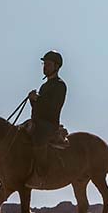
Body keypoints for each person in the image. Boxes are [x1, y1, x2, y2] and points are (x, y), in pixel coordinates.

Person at [26, 50, 67, 188]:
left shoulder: (60, 85)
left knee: (38, 137)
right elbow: (39, 109)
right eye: (44, 64)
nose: (45, 67)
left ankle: (42, 173)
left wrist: (38, 99)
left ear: (56, 66)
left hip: (50, 125)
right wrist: (33, 101)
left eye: (48, 64)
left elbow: (53, 107)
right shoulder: (44, 86)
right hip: (39, 122)